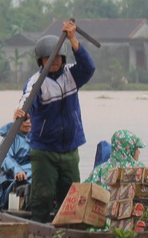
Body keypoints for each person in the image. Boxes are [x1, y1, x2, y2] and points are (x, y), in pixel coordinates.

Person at [16, 19, 95, 223]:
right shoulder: (36, 82)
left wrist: (73, 39)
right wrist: (21, 113)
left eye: (58, 58)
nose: (55, 62)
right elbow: (27, 101)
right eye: (48, 59)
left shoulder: (71, 74)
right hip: (44, 150)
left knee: (70, 198)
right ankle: (39, 228)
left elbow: (89, 68)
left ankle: (67, 231)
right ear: (41, 61)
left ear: (62, 57)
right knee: (42, 196)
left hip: (70, 148)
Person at [0, 109, 32, 211]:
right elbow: (5, 157)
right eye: (25, 119)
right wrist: (17, 170)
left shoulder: (39, 137)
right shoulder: (10, 138)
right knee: (15, 184)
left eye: (31, 119)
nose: (28, 122)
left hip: (35, 174)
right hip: (13, 176)